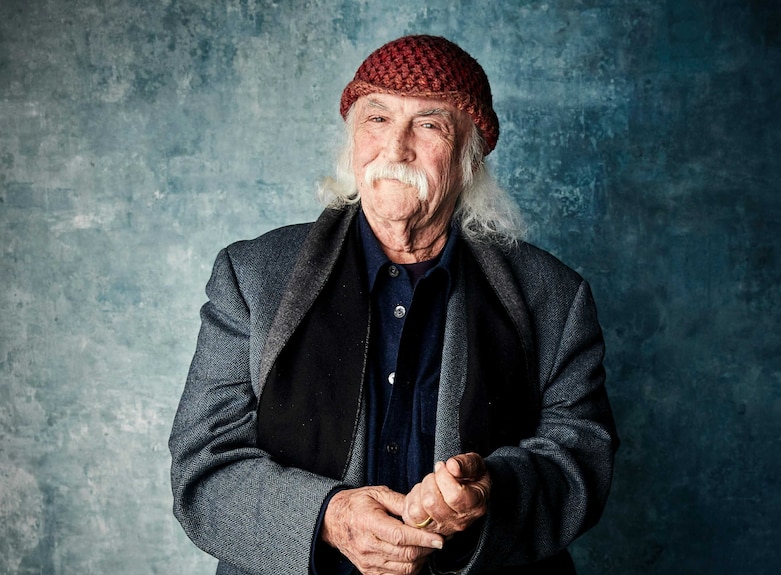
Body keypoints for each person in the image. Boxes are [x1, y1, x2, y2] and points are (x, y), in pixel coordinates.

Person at [169, 34, 618, 575]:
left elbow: (581, 460)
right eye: (377, 118)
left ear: (469, 157)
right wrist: (329, 518)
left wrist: (490, 494)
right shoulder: (252, 277)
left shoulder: (555, 297)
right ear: (353, 140)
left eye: (428, 125)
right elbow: (203, 466)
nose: (395, 147)